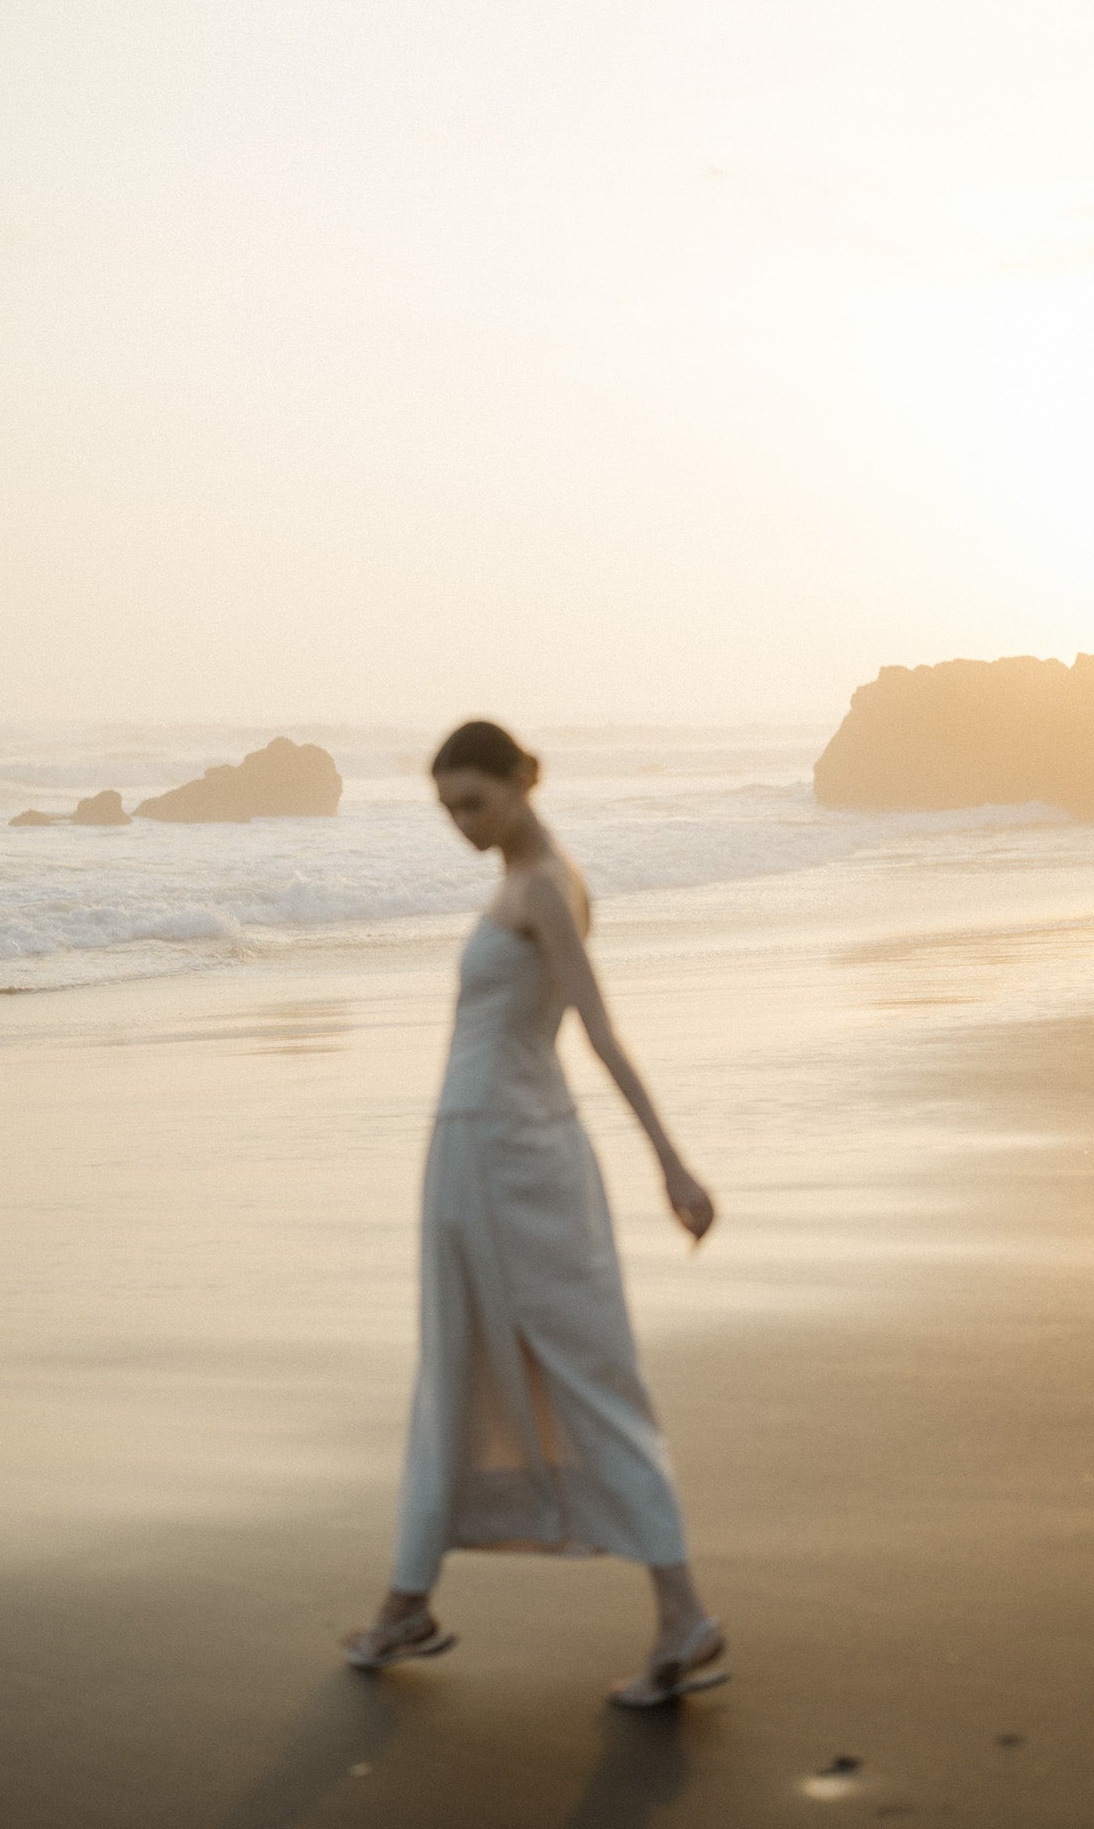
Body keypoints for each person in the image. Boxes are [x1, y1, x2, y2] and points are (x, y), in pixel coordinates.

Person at [344, 720, 726, 1707]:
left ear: (522, 782)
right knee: (454, 1363)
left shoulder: (549, 884)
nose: (461, 824)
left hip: (517, 1155)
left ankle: (683, 1613)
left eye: (473, 801)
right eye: (446, 808)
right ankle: (405, 1602)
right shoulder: (517, 882)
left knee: (589, 1368)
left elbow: (596, 1027)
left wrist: (673, 1163)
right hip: (473, 1148)